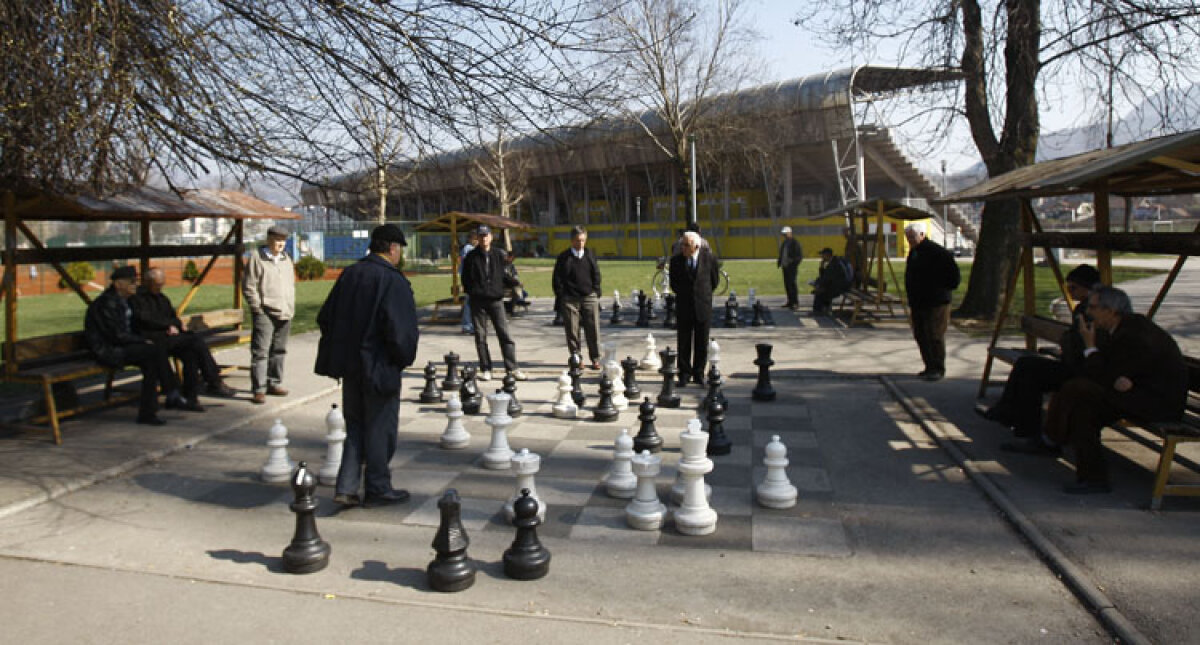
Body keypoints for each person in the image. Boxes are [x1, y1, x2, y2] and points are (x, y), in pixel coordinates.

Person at [1033, 287, 1188, 494]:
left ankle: (1053, 437)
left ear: (1112, 311)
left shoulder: (1134, 335)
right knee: (1084, 408)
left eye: (1094, 307)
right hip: (1136, 395)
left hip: (1156, 404)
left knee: (1079, 389)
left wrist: (1090, 346)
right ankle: (1091, 476)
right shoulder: (1122, 328)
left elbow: (1103, 377)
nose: (1089, 312)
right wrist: (1115, 375)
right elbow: (1110, 376)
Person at [315, 224, 420, 508]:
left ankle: (347, 486)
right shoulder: (392, 280)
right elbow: (401, 331)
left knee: (356, 425)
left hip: (350, 367)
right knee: (380, 428)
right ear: (393, 248)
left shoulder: (350, 274)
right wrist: (402, 358)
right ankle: (377, 486)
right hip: (379, 365)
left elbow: (325, 317)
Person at [980, 264, 1101, 439]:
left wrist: (1067, 350)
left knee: (1031, 375)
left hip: (1081, 370)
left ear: (1088, 288)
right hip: (1075, 363)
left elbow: (1083, 344)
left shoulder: (1090, 310)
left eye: (1073, 287)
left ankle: (1026, 429)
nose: (1070, 291)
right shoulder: (1085, 307)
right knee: (1025, 364)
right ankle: (1007, 412)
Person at [84, 266, 189, 425]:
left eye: (136, 281)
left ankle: (151, 410)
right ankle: (169, 393)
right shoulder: (107, 303)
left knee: (153, 358)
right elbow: (116, 335)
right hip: (108, 350)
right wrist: (141, 340)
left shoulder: (125, 301)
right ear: (118, 284)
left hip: (123, 346)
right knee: (153, 351)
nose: (135, 285)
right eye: (131, 282)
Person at [129, 268, 236, 406]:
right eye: (157, 284)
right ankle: (213, 380)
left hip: (168, 337)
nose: (160, 287)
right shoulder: (137, 299)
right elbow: (144, 319)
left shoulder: (162, 298)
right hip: (153, 339)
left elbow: (173, 317)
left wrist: (176, 325)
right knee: (195, 341)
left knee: (191, 353)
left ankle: (190, 396)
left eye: (162, 284)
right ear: (148, 282)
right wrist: (168, 326)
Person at [461, 224, 526, 382]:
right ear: (477, 237)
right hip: (478, 301)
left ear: (491, 237)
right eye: (481, 236)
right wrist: (474, 291)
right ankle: (486, 368)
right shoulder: (471, 256)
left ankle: (512, 368)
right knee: (480, 336)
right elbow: (466, 279)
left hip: (496, 300)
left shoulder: (498, 254)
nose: (484, 239)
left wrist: (514, 283)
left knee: (504, 334)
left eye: (486, 235)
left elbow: (503, 274)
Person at [243, 225, 295, 404]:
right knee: (261, 352)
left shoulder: (286, 259)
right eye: (277, 239)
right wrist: (256, 308)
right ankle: (259, 389)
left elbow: (290, 285)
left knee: (279, 350)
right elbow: (249, 286)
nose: (280, 244)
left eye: (283, 240)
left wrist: (290, 306)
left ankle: (274, 382)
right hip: (265, 311)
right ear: (269, 239)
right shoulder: (257, 258)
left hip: (285, 311)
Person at [903, 222, 960, 381]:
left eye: (913, 237)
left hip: (935, 301)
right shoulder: (914, 252)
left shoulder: (937, 253)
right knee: (921, 334)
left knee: (934, 334)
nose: (910, 241)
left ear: (922, 235)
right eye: (908, 238)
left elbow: (953, 277)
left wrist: (939, 289)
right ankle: (928, 366)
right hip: (918, 301)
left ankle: (938, 368)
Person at [669, 230, 720, 387]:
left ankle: (698, 373)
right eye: (681, 244)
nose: (682, 248)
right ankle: (684, 374)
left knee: (701, 342)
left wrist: (702, 294)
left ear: (696, 246)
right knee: (683, 342)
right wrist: (685, 293)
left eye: (686, 245)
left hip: (702, 306)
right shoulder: (676, 261)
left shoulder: (709, 258)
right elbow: (674, 283)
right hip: (684, 306)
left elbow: (714, 281)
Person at [552, 225, 602, 369]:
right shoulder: (563, 257)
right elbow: (557, 279)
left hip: (589, 296)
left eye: (583, 240)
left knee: (593, 329)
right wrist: (562, 295)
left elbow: (596, 274)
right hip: (570, 299)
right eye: (578, 240)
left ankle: (595, 358)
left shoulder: (590, 255)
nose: (581, 243)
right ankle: (576, 357)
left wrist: (596, 292)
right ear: (572, 241)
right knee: (572, 331)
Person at [810, 247, 852, 316]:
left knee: (820, 291)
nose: (822, 257)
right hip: (842, 285)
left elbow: (826, 279)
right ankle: (825, 308)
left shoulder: (834, 264)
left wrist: (817, 285)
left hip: (841, 287)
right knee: (821, 288)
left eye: (822, 255)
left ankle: (818, 311)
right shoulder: (834, 261)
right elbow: (826, 277)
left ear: (827, 255)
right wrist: (821, 267)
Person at [777, 226, 803, 310]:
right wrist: (780, 261)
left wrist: (793, 263)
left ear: (790, 233)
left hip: (791, 267)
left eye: (785, 233)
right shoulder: (785, 243)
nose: (784, 235)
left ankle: (795, 302)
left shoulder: (795, 243)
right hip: (785, 267)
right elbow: (782, 253)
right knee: (787, 284)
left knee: (792, 284)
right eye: (783, 234)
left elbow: (799, 256)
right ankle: (790, 301)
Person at [459, 230, 478, 335]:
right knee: (469, 304)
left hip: (472, 280)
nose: (477, 241)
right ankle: (467, 326)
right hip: (470, 280)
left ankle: (470, 324)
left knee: (471, 303)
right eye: (475, 239)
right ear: (471, 239)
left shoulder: (471, 249)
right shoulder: (468, 249)